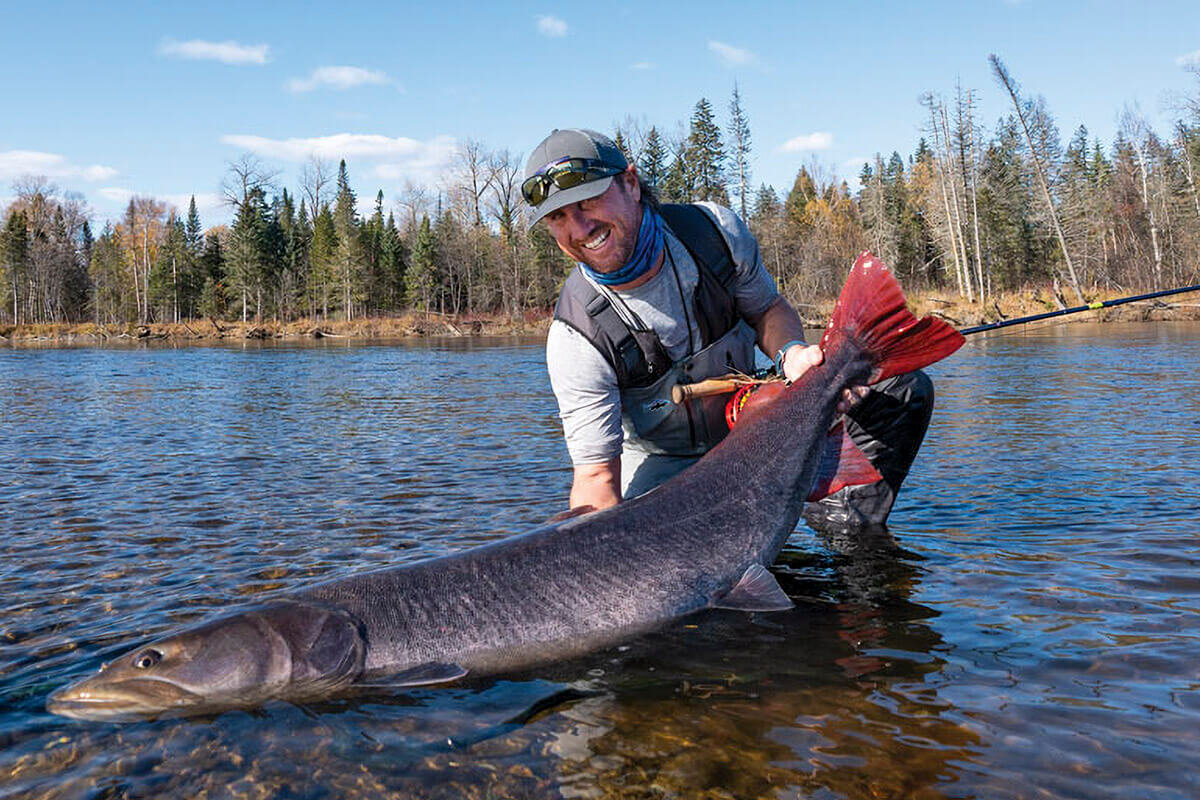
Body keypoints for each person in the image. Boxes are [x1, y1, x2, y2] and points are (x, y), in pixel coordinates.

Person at [524, 128, 933, 529]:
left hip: (755, 433)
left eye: (588, 202)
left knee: (895, 388)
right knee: (659, 561)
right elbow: (596, 480)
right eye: (558, 218)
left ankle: (842, 519)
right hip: (667, 472)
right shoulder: (576, 336)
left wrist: (791, 352)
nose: (578, 229)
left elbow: (768, 309)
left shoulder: (712, 234)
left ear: (630, 183)